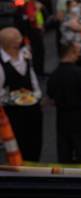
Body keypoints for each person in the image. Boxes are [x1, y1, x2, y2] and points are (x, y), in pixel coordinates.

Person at [47, 42, 81, 163]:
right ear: (71, 53)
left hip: (62, 117)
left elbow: (50, 97)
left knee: (65, 149)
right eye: (78, 51)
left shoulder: (54, 74)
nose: (80, 54)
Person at [0, 27, 42, 162]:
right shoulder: (1, 65)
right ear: (12, 44)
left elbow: (32, 76)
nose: (21, 40)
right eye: (18, 38)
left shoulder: (25, 54)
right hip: (12, 114)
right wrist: (13, 98)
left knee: (35, 144)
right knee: (17, 148)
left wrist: (37, 94)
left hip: (32, 110)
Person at [15, 0, 45, 76]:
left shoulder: (32, 3)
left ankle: (38, 71)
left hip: (36, 30)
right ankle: (38, 72)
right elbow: (31, 17)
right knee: (38, 52)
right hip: (33, 31)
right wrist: (38, 9)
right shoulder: (29, 3)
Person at [60, 0, 81, 67]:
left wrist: (78, 27)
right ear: (68, 7)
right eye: (72, 6)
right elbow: (73, 27)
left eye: (76, 5)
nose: (75, 7)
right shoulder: (66, 18)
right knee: (70, 67)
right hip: (70, 49)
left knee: (80, 66)